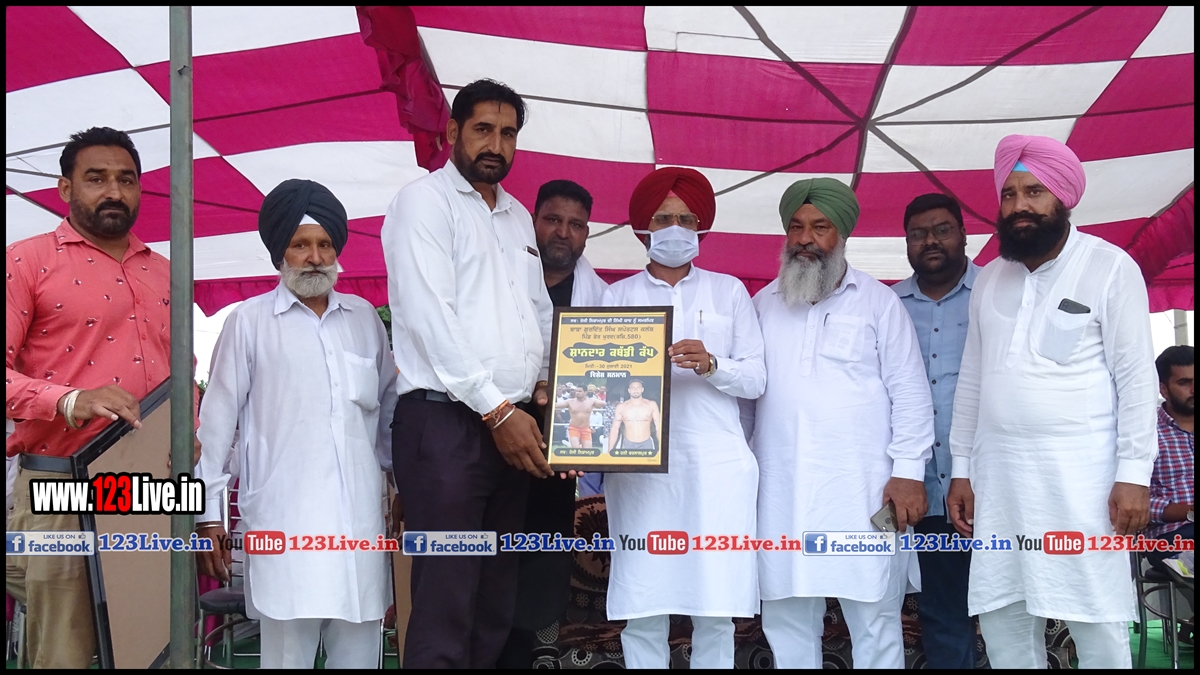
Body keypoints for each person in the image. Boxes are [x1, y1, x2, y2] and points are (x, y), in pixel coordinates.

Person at [946, 135, 1158, 669]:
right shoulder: (990, 278)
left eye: (1034, 192)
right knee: (1003, 620)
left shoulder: (1110, 267)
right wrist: (962, 470)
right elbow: (972, 382)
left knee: (1096, 620)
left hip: (1084, 484)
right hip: (1001, 482)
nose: (1019, 205)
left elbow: (1136, 380)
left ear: (1063, 197)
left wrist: (1134, 475)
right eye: (1010, 193)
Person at [381, 79, 557, 669]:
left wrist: (543, 386)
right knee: (447, 598)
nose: (496, 145)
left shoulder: (516, 216)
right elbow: (431, 317)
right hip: (446, 426)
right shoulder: (423, 202)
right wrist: (498, 411)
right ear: (453, 132)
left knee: (493, 601)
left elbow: (537, 311)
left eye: (508, 133)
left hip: (511, 423)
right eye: (483, 129)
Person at [193, 179, 397, 668]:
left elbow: (390, 416)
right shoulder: (249, 322)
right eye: (301, 245)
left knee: (360, 657)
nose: (315, 257)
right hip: (285, 528)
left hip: (359, 529)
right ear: (279, 253)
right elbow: (216, 428)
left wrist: (403, 484)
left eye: (325, 244)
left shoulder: (365, 319)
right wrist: (208, 517)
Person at [5, 127, 175, 668]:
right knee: (66, 651)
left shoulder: (165, 272)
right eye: (96, 178)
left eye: (126, 180)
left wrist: (189, 440)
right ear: (65, 188)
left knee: (153, 641)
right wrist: (68, 399)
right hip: (62, 484)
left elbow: (183, 373)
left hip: (154, 489)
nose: (114, 191)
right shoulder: (26, 261)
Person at [747, 177, 933, 669]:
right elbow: (745, 400)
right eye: (796, 227)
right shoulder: (762, 305)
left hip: (863, 491)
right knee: (786, 616)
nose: (805, 239)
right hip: (781, 492)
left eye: (820, 227)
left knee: (874, 617)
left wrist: (909, 473)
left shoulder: (878, 303)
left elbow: (910, 394)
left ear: (842, 235)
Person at [601, 167, 766, 669]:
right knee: (643, 604)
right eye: (662, 218)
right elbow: (596, 383)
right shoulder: (617, 297)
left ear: (702, 227)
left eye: (687, 219)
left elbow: (756, 379)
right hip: (640, 472)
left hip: (716, 467)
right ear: (641, 228)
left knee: (715, 607)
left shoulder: (729, 292)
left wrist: (713, 364)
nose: (675, 228)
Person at [498, 178, 608, 669]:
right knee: (489, 561)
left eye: (576, 224)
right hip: (494, 439)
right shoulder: (499, 278)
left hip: (558, 456)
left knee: (541, 564)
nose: (563, 232)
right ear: (533, 222)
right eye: (553, 220)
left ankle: (529, 655)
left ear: (587, 233)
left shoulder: (603, 300)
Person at [892, 193, 980, 669]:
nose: (930, 241)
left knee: (1010, 608)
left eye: (942, 230)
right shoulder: (886, 305)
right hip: (921, 489)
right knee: (942, 613)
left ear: (963, 234)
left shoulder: (995, 294)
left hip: (989, 484)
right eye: (918, 233)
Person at [1144, 346, 1193, 564]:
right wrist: (1189, 511)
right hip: (1173, 535)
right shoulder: (1145, 433)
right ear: (1163, 389)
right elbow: (1134, 501)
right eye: (1184, 382)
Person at [608, 379, 661, 452]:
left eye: (638, 387)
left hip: (646, 444)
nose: (635, 390)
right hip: (628, 445)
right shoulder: (621, 407)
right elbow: (615, 428)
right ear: (629, 390)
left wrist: (661, 447)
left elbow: (659, 427)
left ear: (642, 389)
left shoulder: (652, 405)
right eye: (633, 388)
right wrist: (610, 450)